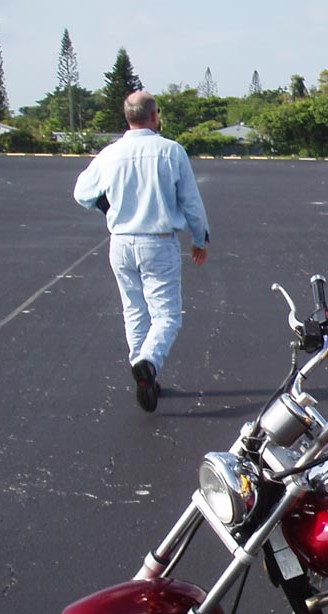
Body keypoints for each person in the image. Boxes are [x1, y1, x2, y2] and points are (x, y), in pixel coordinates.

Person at [73, 90, 210, 412]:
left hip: (121, 242)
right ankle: (148, 362)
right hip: (157, 242)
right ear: (154, 115)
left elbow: (82, 192)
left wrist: (108, 207)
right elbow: (191, 202)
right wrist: (200, 239)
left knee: (134, 311)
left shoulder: (110, 154)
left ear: (128, 117)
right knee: (167, 316)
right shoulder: (171, 151)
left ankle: (144, 377)